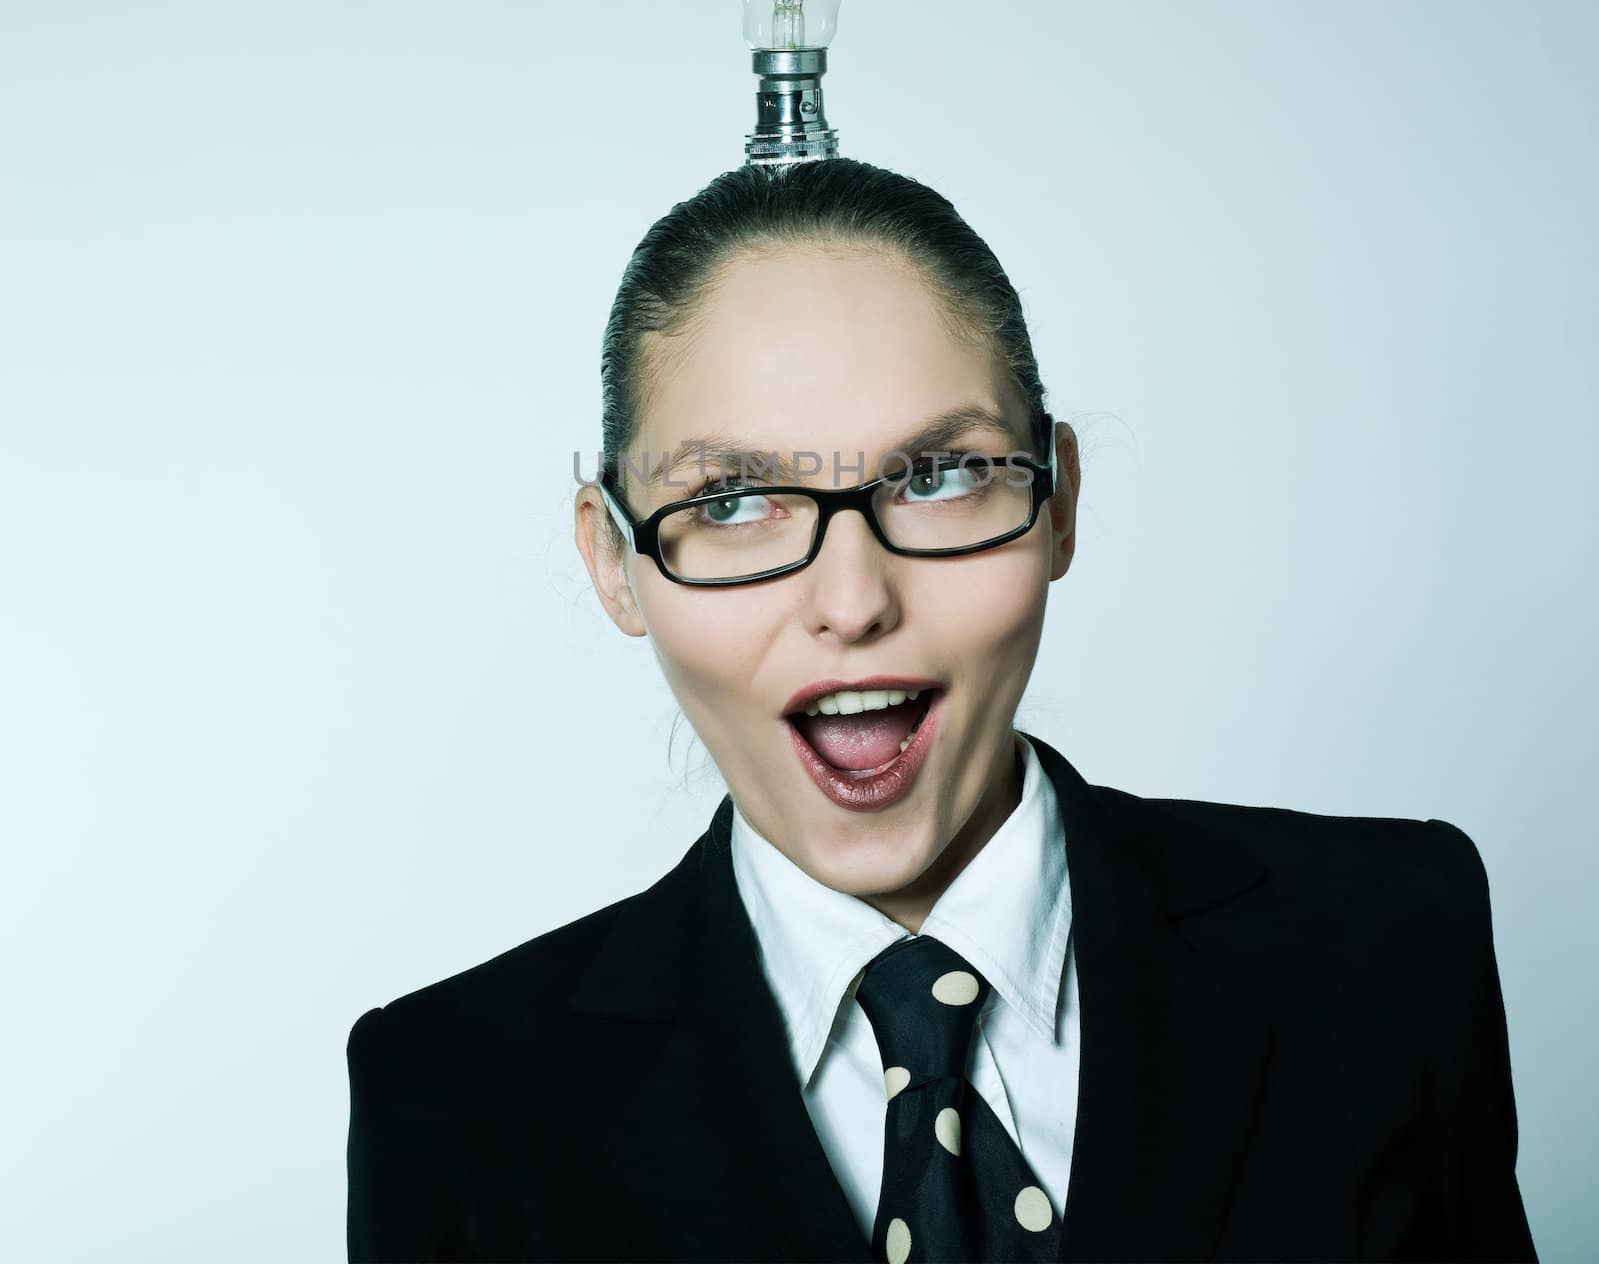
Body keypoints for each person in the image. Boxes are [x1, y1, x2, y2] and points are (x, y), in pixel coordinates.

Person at [345, 156, 1536, 1263]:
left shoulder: (1388, 944)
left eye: (942, 475)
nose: (853, 601)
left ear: (1060, 498)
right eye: (735, 498)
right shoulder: (453, 1100)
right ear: (612, 560)